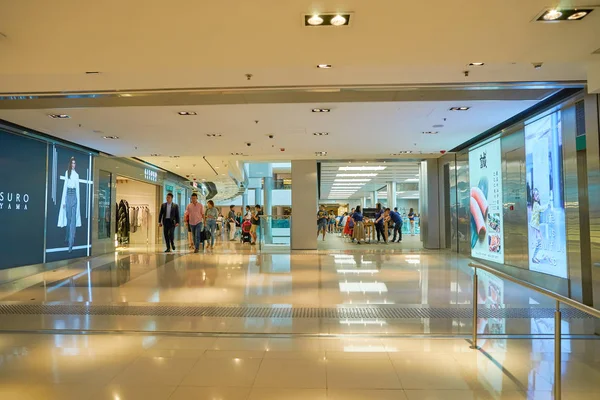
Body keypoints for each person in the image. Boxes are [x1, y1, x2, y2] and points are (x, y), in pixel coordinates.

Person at [58, 157, 81, 253]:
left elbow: (78, 190)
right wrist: (63, 202)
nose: (73, 165)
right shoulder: (67, 173)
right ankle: (68, 237)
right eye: (72, 163)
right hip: (67, 197)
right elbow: (64, 188)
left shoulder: (76, 175)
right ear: (70, 164)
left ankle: (70, 244)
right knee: (68, 219)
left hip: (74, 197)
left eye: (74, 163)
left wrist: (77, 202)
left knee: (72, 222)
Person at [530, 188, 551, 264]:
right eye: (536, 195)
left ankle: (534, 257)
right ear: (533, 197)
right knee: (538, 241)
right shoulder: (535, 204)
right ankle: (533, 257)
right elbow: (541, 209)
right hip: (534, 226)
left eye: (538, 194)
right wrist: (547, 205)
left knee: (539, 241)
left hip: (535, 226)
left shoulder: (536, 204)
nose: (538, 196)